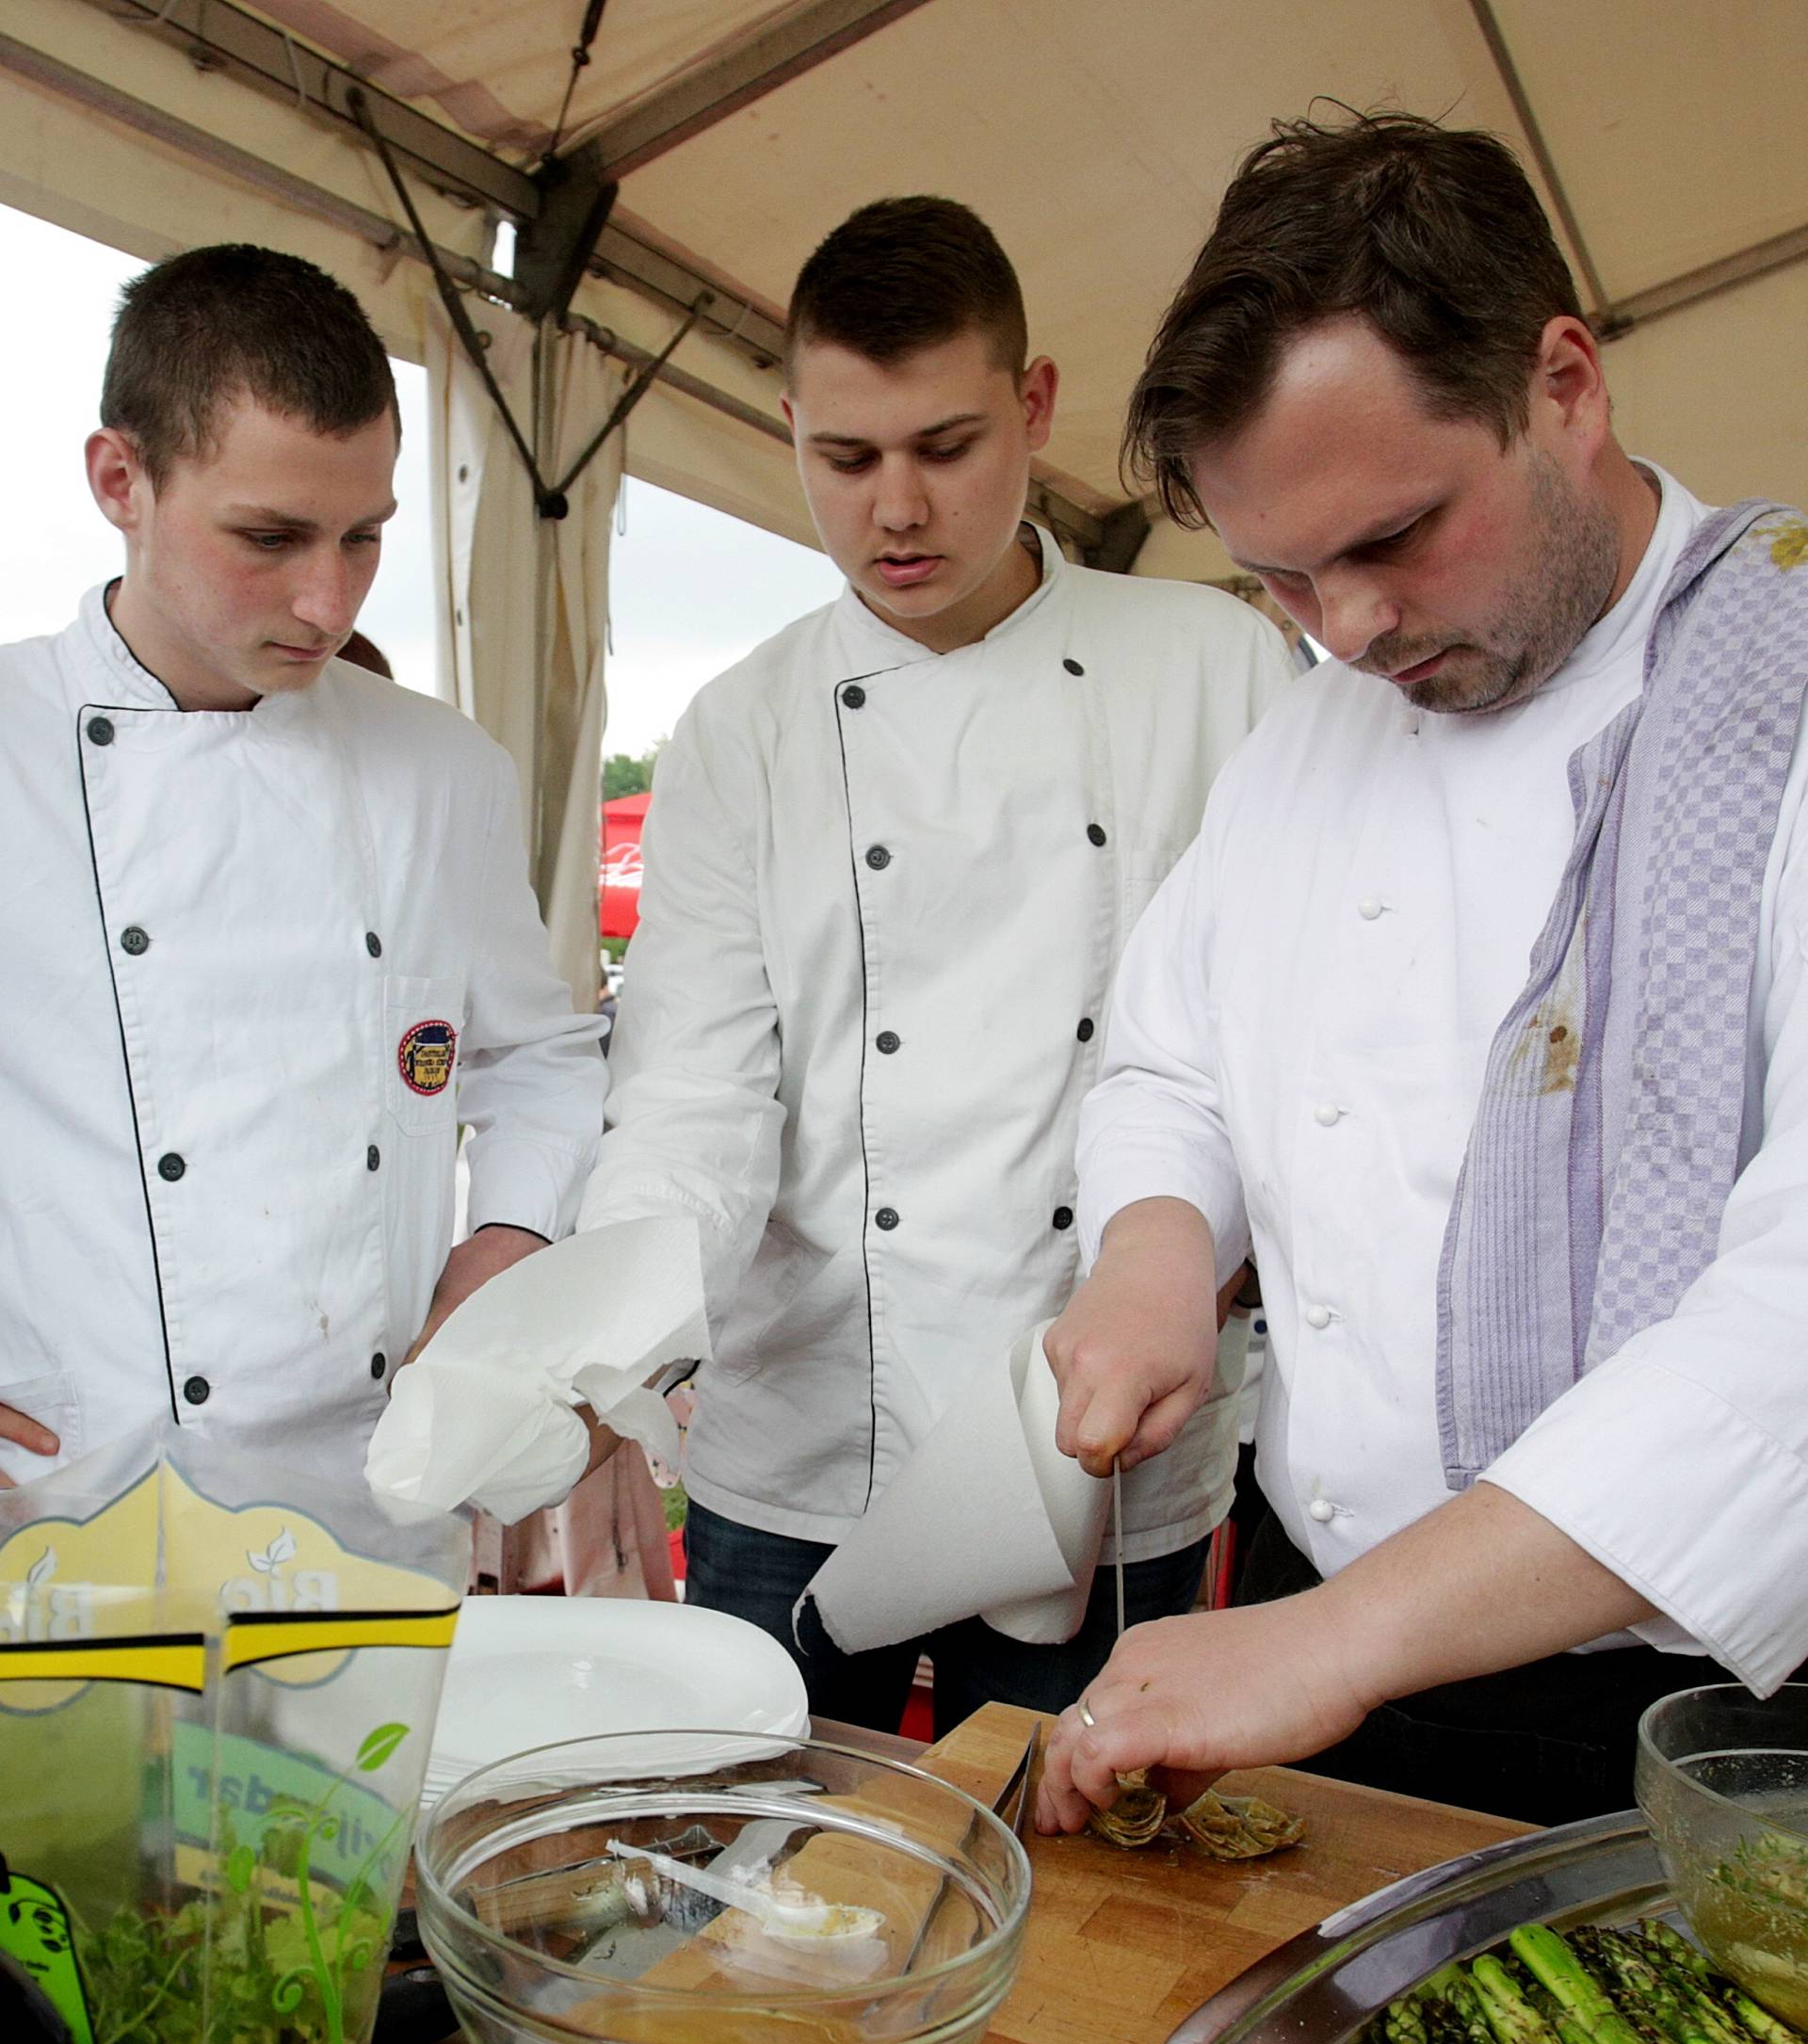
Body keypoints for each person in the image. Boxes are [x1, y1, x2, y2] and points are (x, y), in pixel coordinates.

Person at [1037, 112, 1808, 1834]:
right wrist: (1161, 1256)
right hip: (1337, 1660)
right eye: (1283, 577)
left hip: (1712, 1719)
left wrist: (1337, 1640)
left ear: (1563, 385)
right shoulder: (1309, 740)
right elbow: (1174, 1065)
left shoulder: (1790, 678)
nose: (1350, 629)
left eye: (1392, 537)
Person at [580, 197, 1293, 1732]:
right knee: (748, 1865)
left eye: (946, 447)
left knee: (1064, 1887)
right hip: (805, 1433)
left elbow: (1267, 1048)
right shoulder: (742, 728)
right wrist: (600, 1353)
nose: (895, 508)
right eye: (845, 459)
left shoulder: (1217, 669)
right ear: (789, 429)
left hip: (1097, 1423)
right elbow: (693, 1091)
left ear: (1033, 408)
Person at [0, 244, 603, 1494]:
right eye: (269, 538)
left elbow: (537, 1056)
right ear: (123, 479)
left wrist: (510, 1232)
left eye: (365, 539)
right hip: (59, 1472)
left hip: (362, 1474)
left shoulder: (445, 773)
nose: (328, 603)